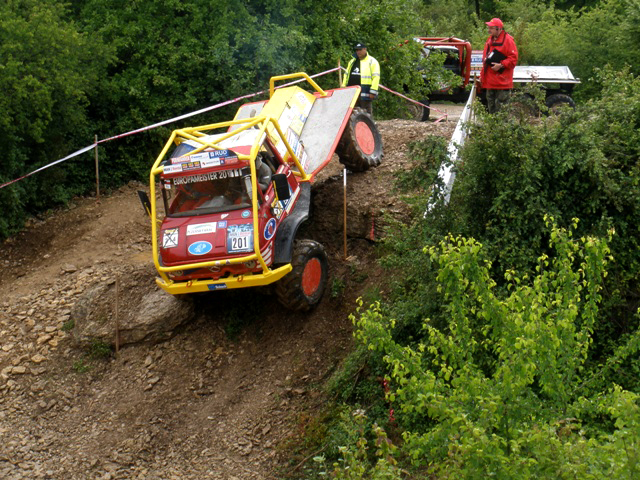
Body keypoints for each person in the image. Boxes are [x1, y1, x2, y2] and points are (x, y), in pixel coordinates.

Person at [480, 18, 518, 113]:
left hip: (502, 83)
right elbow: (486, 60)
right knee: (491, 111)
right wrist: (482, 77)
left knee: (501, 113)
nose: (489, 30)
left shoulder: (508, 40)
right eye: (489, 27)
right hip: (490, 82)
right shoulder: (490, 40)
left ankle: (501, 128)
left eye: (491, 28)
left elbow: (513, 59)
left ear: (499, 29)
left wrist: (501, 65)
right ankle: (492, 128)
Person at [341, 42, 380, 116]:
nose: (358, 52)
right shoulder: (352, 61)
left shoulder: (372, 61)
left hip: (365, 91)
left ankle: (368, 126)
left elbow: (376, 77)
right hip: (352, 91)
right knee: (352, 113)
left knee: (366, 113)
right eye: (357, 50)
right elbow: (346, 75)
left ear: (365, 49)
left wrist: (373, 91)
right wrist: (343, 87)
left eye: (360, 50)